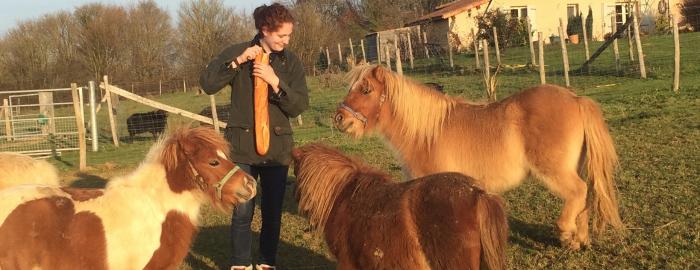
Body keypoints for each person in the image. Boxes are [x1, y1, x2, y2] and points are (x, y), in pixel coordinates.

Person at [199, 3, 309, 270]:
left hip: (276, 149)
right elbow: (208, 84)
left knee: (272, 211)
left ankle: (267, 263)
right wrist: (237, 62)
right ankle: (240, 264)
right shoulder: (238, 53)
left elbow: (299, 106)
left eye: (288, 36)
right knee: (242, 210)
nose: (286, 41)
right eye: (281, 35)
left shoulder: (291, 62)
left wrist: (275, 81)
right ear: (265, 30)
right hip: (241, 148)